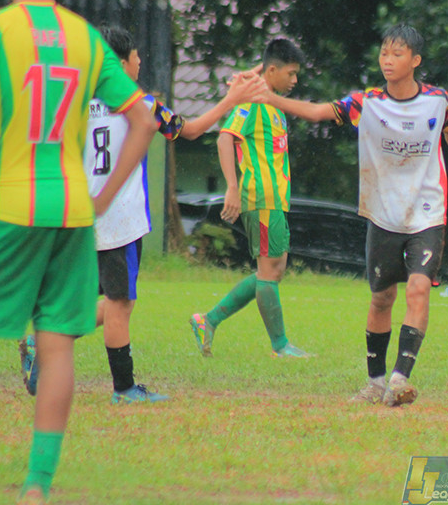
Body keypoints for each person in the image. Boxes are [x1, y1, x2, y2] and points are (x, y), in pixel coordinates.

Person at [0, 0, 157, 505]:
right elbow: (142, 120)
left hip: (9, 203)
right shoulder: (87, 39)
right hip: (70, 211)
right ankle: (36, 488)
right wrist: (105, 197)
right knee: (56, 344)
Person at [19, 25, 269, 403]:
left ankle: (41, 342)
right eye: (136, 56)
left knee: (102, 299)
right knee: (120, 304)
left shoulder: (72, 102)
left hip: (80, 215)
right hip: (116, 218)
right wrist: (231, 98)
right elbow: (193, 130)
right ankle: (123, 389)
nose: (140, 61)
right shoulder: (140, 103)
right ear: (120, 64)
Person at [256, 24, 448, 406]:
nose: (387, 60)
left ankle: (400, 379)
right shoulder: (367, 103)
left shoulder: (438, 100)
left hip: (427, 213)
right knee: (381, 299)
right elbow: (317, 112)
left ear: (415, 61)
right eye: (384, 53)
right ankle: (376, 382)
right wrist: (270, 98)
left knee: (417, 290)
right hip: (382, 215)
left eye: (397, 54)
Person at [190, 39, 312, 359]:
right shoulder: (252, 104)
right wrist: (232, 186)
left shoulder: (271, 102)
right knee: (269, 272)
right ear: (272, 71)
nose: (295, 80)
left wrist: (255, 71)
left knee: (272, 271)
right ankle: (280, 345)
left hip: (275, 199)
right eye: (291, 73)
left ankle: (208, 319)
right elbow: (225, 138)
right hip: (259, 196)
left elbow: (261, 69)